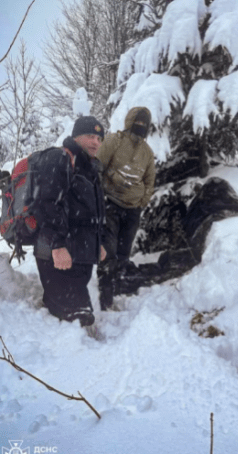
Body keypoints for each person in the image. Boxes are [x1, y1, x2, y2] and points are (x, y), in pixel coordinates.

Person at [35, 116, 107, 327]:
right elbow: (47, 204)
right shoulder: (60, 158)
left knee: (80, 315)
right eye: (89, 136)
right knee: (75, 319)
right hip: (57, 254)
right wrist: (57, 245)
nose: (95, 142)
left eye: (99, 138)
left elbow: (91, 213)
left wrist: (98, 243)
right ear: (76, 136)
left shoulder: (90, 168)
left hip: (79, 255)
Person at [95, 106, 156, 310]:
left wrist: (142, 200)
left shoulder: (147, 152)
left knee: (123, 252)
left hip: (132, 210)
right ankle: (105, 292)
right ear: (130, 122)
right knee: (108, 251)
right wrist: (112, 177)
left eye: (144, 124)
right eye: (137, 122)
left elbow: (150, 180)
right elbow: (97, 166)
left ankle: (117, 286)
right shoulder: (114, 140)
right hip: (110, 203)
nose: (140, 127)